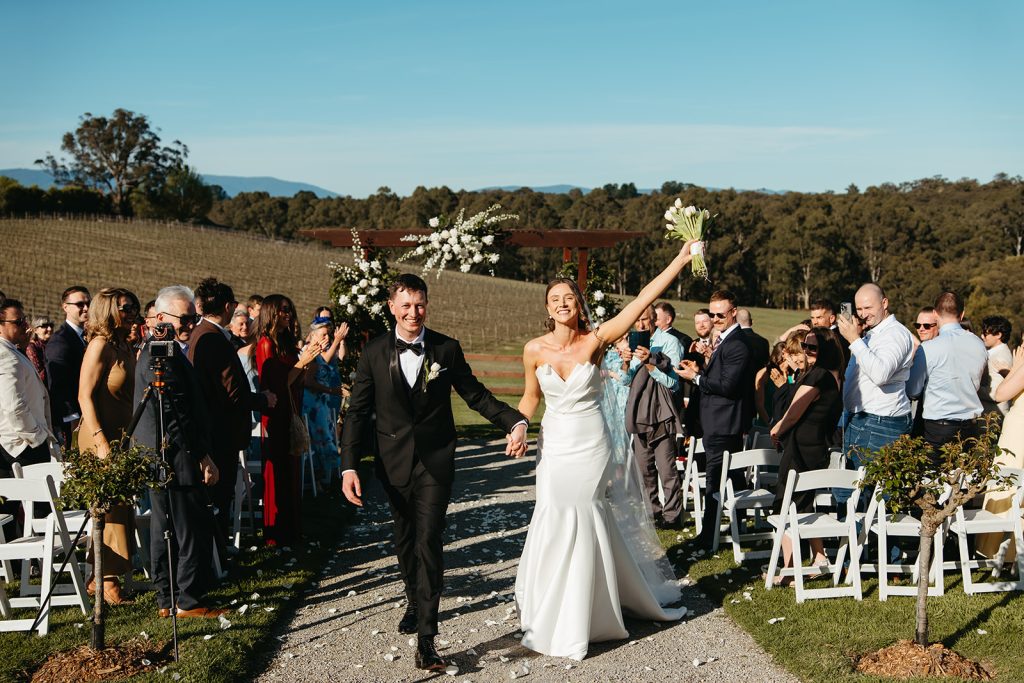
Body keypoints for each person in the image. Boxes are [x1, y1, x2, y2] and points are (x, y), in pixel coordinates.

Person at [513, 243, 697, 661]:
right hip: (555, 444)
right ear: (547, 308)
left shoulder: (596, 340)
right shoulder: (534, 349)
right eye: (555, 300)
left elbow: (642, 300)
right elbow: (529, 398)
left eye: (569, 299)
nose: (562, 304)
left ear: (579, 306)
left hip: (590, 444)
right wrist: (520, 425)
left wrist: (681, 259)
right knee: (554, 513)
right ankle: (552, 606)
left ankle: (586, 614)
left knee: (584, 512)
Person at [340, 274, 527, 672]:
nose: (413, 312)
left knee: (428, 538)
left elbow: (475, 395)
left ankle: (427, 639)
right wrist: (349, 466)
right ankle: (413, 597)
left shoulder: (446, 348)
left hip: (435, 462)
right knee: (405, 538)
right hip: (391, 464)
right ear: (391, 306)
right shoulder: (373, 352)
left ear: (428, 305)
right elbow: (357, 412)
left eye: (420, 304)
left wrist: (514, 421)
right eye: (405, 305)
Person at [134, 285, 224, 619]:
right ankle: (186, 598)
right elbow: (173, 413)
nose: (190, 324)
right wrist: (200, 455)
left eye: (194, 317)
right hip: (174, 454)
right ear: (160, 318)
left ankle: (167, 598)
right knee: (187, 528)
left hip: (165, 453)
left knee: (166, 527)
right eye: (184, 318)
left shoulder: (165, 349)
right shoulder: (160, 354)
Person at [190, 278, 275, 550]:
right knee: (219, 497)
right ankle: (217, 556)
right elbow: (232, 393)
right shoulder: (213, 339)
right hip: (220, 432)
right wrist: (263, 399)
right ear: (229, 307)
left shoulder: (198, 333)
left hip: (211, 429)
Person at [677, 290, 756, 549]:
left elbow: (728, 386)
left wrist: (696, 378)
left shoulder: (737, 344)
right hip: (718, 420)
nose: (715, 319)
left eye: (720, 314)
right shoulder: (723, 341)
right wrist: (702, 368)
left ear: (734, 312)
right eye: (712, 314)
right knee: (731, 476)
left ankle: (708, 536)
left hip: (723, 422)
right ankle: (737, 526)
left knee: (714, 479)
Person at [77, 287, 141, 605]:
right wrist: (101, 440)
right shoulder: (100, 345)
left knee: (121, 505)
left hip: (121, 434)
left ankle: (102, 575)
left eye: (134, 306)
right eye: (125, 307)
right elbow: (84, 396)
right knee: (110, 508)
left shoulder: (124, 344)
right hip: (98, 435)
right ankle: (106, 581)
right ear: (108, 310)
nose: (131, 312)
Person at [768, 327, 845, 583]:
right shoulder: (834, 375)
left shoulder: (818, 376)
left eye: (813, 347)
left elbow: (794, 410)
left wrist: (778, 428)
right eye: (806, 347)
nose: (807, 352)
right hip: (816, 446)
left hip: (800, 449)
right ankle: (819, 557)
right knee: (804, 505)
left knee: (786, 506)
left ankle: (791, 570)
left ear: (826, 350)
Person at [256, 294, 322, 547]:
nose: (288, 314)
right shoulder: (265, 344)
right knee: (278, 472)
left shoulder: (284, 342)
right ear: (271, 312)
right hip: (275, 414)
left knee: (291, 471)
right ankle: (277, 535)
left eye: (289, 309)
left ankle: (293, 530)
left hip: (290, 410)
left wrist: (307, 362)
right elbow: (276, 383)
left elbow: (296, 380)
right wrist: (302, 362)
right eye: (283, 310)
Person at [836, 284, 915, 492]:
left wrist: (853, 339)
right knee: (849, 491)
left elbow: (880, 374)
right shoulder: (873, 334)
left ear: (885, 303)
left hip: (880, 423)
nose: (863, 314)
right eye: (859, 309)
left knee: (869, 496)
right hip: (861, 419)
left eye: (868, 308)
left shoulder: (895, 334)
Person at [622, 304, 685, 529]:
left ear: (655, 320)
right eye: (637, 321)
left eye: (645, 320)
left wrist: (651, 363)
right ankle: (652, 513)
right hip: (639, 412)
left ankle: (673, 516)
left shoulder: (670, 343)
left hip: (661, 412)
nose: (640, 325)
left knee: (666, 469)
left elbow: (674, 383)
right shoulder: (634, 342)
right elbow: (626, 380)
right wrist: (627, 361)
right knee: (644, 468)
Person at [906, 292, 987, 456]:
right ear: (962, 314)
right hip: (971, 427)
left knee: (933, 478)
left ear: (935, 314)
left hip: (939, 428)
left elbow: (912, 390)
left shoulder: (928, 349)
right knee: (966, 478)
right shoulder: (979, 344)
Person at [1, 299, 59, 481]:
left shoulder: (11, 350)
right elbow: (14, 406)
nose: (25, 325)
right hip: (22, 445)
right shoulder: (5, 355)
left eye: (24, 320)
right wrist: (37, 437)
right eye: (18, 322)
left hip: (22, 441)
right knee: (40, 505)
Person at [977, 345, 1024, 560]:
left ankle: (994, 550)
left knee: (1006, 486)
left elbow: (1000, 394)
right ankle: (1013, 551)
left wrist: (1015, 368)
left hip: (1018, 431)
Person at [301, 317, 347, 490]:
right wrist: (331, 391)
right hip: (312, 404)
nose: (326, 338)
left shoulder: (318, 351)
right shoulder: (311, 352)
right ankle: (313, 480)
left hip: (320, 403)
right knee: (317, 441)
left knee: (321, 439)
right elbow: (308, 381)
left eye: (328, 335)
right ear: (313, 335)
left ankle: (319, 480)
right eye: (323, 335)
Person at [45, 285, 91, 448]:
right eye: (80, 304)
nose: (86, 308)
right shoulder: (60, 341)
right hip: (72, 423)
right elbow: (59, 385)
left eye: (88, 304)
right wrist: (72, 418)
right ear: (65, 307)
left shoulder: (85, 337)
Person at [980, 316, 1013, 415]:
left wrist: (972, 389)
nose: (982, 336)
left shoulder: (999, 357)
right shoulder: (997, 353)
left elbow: (996, 393)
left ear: (998, 334)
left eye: (986, 333)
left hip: (992, 416)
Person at [737, 308, 770, 373]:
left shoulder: (734, 340)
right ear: (751, 321)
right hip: (759, 381)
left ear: (735, 322)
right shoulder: (764, 342)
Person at [26, 316, 54, 384]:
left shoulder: (54, 345)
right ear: (35, 330)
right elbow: (39, 375)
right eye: (44, 326)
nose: (49, 329)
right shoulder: (31, 347)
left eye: (51, 325)